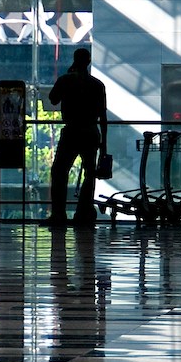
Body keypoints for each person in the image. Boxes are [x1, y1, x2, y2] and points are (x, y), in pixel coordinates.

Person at [44, 46, 108, 227]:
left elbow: (53, 99)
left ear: (75, 60)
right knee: (90, 173)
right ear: (88, 62)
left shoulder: (66, 80)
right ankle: (83, 213)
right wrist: (104, 143)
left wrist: (67, 75)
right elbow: (103, 116)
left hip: (72, 131)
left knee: (59, 171)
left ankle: (59, 214)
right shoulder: (97, 85)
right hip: (90, 131)